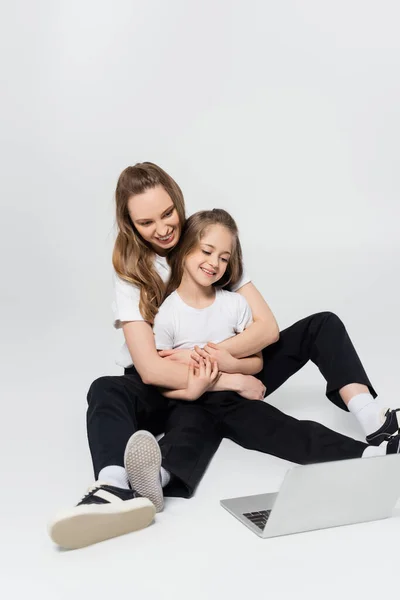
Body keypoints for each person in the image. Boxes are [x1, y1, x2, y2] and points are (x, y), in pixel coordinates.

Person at [48, 162, 399, 550]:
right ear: (131, 225)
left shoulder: (208, 241)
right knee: (111, 391)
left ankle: (378, 427)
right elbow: (151, 368)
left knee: (322, 325)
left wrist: (220, 360)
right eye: (147, 222)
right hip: (171, 381)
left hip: (227, 365)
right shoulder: (133, 269)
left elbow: (265, 330)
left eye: (168, 213)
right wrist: (228, 378)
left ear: (179, 203)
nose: (163, 228)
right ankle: (113, 488)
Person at [123, 207, 400, 509]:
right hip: (196, 395)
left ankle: (373, 443)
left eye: (224, 258)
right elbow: (163, 371)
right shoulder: (167, 314)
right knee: (187, 431)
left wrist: (229, 365)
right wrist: (219, 381)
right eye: (206, 251)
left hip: (237, 389)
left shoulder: (233, 303)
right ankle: (157, 480)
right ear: (186, 249)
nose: (215, 263)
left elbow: (259, 354)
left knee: (283, 428)